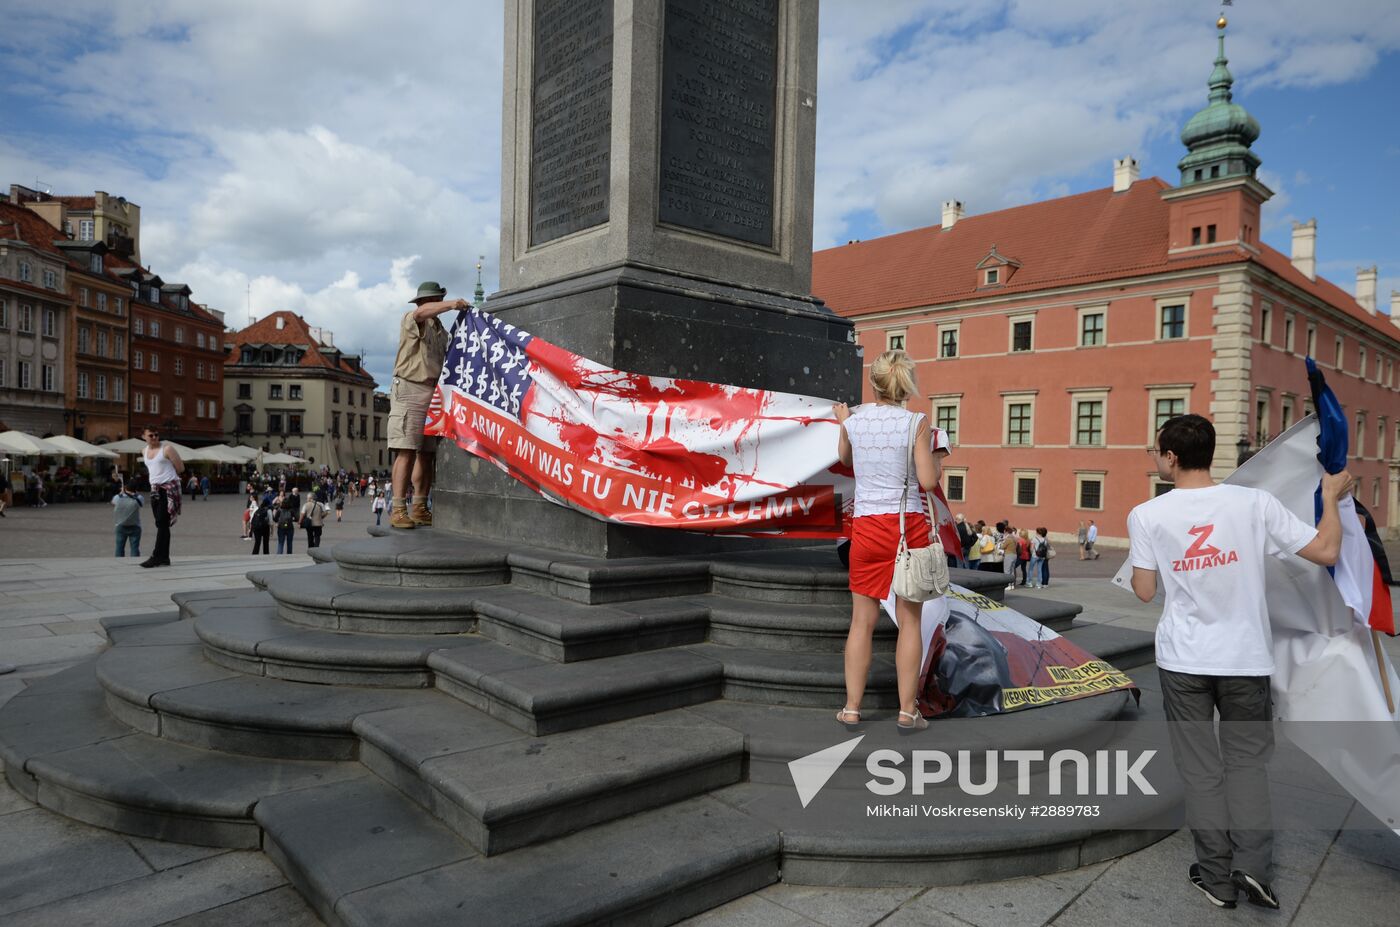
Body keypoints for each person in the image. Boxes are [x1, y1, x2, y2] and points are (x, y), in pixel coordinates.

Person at [1128, 414, 1351, 911]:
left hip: (1184, 660)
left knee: (1201, 769)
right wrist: (1331, 498)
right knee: (1247, 764)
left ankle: (1214, 877)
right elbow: (1328, 550)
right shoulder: (1255, 504)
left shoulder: (1147, 514)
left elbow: (1143, 592)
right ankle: (1253, 867)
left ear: (1170, 456)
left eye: (1156, 451)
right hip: (1246, 658)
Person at [833, 349, 943, 735]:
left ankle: (851, 708)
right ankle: (907, 710)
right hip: (906, 526)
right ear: (904, 385)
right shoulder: (917, 422)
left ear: (874, 383)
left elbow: (844, 460)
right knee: (908, 621)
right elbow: (928, 482)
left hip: (865, 525)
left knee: (861, 621)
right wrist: (938, 455)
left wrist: (844, 424)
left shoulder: (856, 423)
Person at [389, 281, 467, 529]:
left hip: (432, 392)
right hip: (410, 387)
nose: (433, 304)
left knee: (426, 452)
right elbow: (421, 313)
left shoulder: (440, 330)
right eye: (433, 300)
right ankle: (399, 508)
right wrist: (452, 304)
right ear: (425, 302)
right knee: (407, 449)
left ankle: (420, 507)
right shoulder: (413, 318)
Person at [140, 427, 184, 568]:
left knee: (162, 522)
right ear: (144, 436)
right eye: (151, 435)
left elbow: (180, 467)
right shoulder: (144, 451)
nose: (154, 437)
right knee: (161, 524)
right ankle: (165, 558)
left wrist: (169, 479)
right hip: (155, 490)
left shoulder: (167, 449)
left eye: (156, 435)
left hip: (168, 489)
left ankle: (156, 556)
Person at [112, 480, 143, 558]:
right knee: (135, 548)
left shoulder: (117, 497)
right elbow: (141, 504)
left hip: (120, 525)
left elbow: (113, 503)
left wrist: (122, 492)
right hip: (135, 525)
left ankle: (119, 563)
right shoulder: (139, 498)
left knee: (119, 547)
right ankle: (134, 563)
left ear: (125, 487)